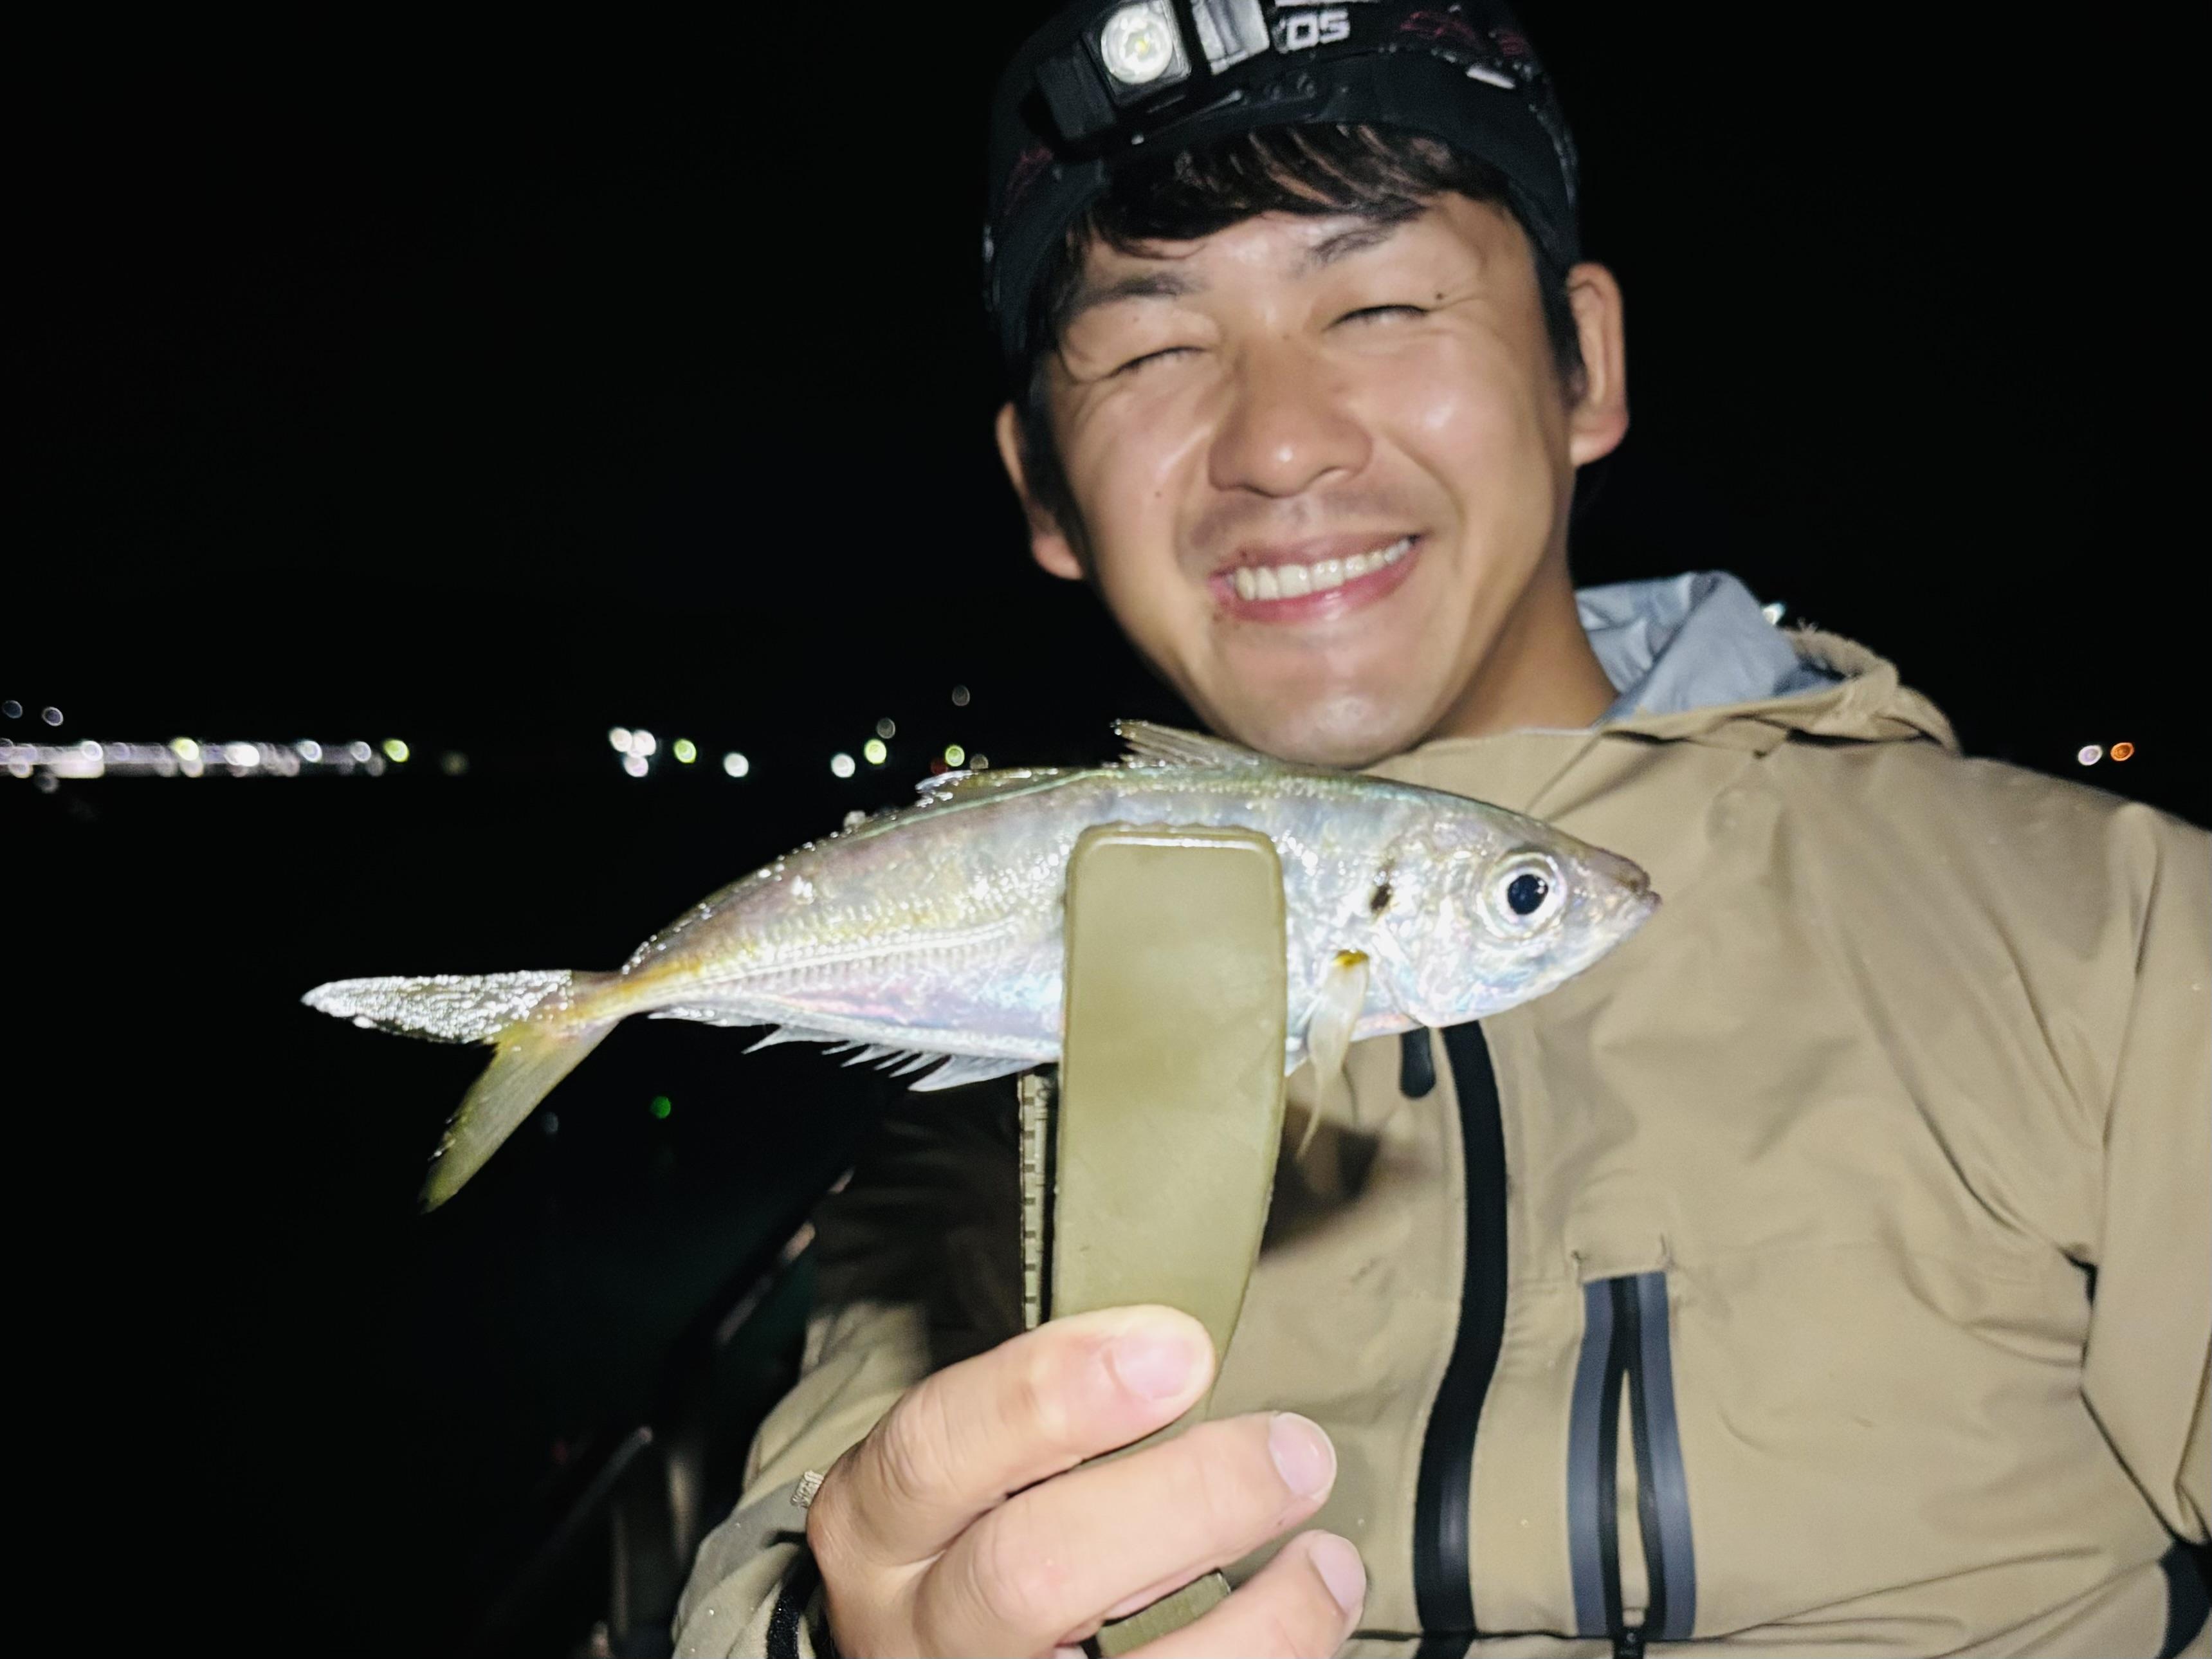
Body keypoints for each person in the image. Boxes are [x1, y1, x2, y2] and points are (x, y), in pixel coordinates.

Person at [673, 3, 2210, 1654]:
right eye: (1150, 350)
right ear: (1042, 487)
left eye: (1383, 299)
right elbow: (787, 1543)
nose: (1277, 445)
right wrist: (847, 1630)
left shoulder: (2115, 932)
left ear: (1584, 363)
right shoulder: (989, 1071)